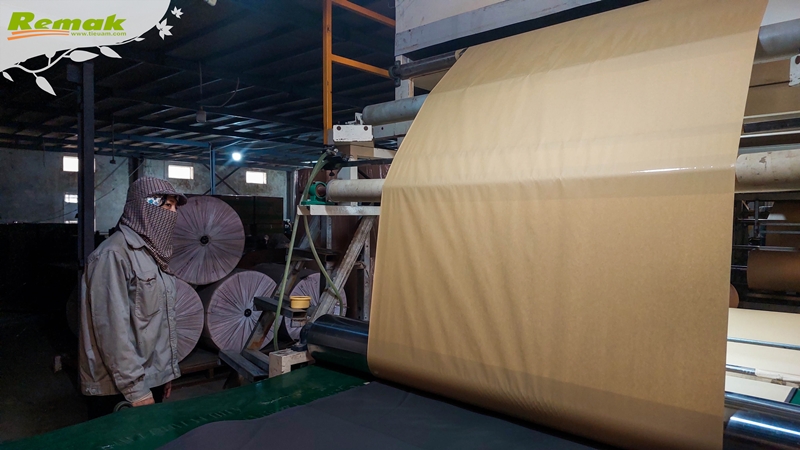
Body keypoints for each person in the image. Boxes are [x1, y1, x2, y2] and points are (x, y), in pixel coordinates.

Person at [78, 177, 188, 419]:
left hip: (150, 380)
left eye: (174, 207)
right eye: (167, 206)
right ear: (145, 207)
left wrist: (163, 374)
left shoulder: (154, 255)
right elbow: (111, 332)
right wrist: (136, 391)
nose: (173, 214)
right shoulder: (113, 255)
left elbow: (158, 322)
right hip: (119, 390)